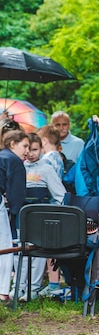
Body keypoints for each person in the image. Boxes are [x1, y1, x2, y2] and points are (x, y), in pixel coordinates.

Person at [12, 133, 67, 301]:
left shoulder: (46, 168)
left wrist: (54, 213)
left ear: (41, 149)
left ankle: (33, 288)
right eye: (28, 148)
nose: (30, 153)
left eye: (34, 149)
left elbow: (60, 194)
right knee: (18, 250)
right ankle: (18, 287)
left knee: (36, 252)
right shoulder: (18, 166)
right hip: (21, 214)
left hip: (39, 215)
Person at [0, 130, 28, 304]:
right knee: (4, 246)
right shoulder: (14, 161)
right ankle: (2, 291)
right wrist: (15, 213)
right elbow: (17, 194)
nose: (26, 150)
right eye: (24, 146)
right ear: (12, 144)